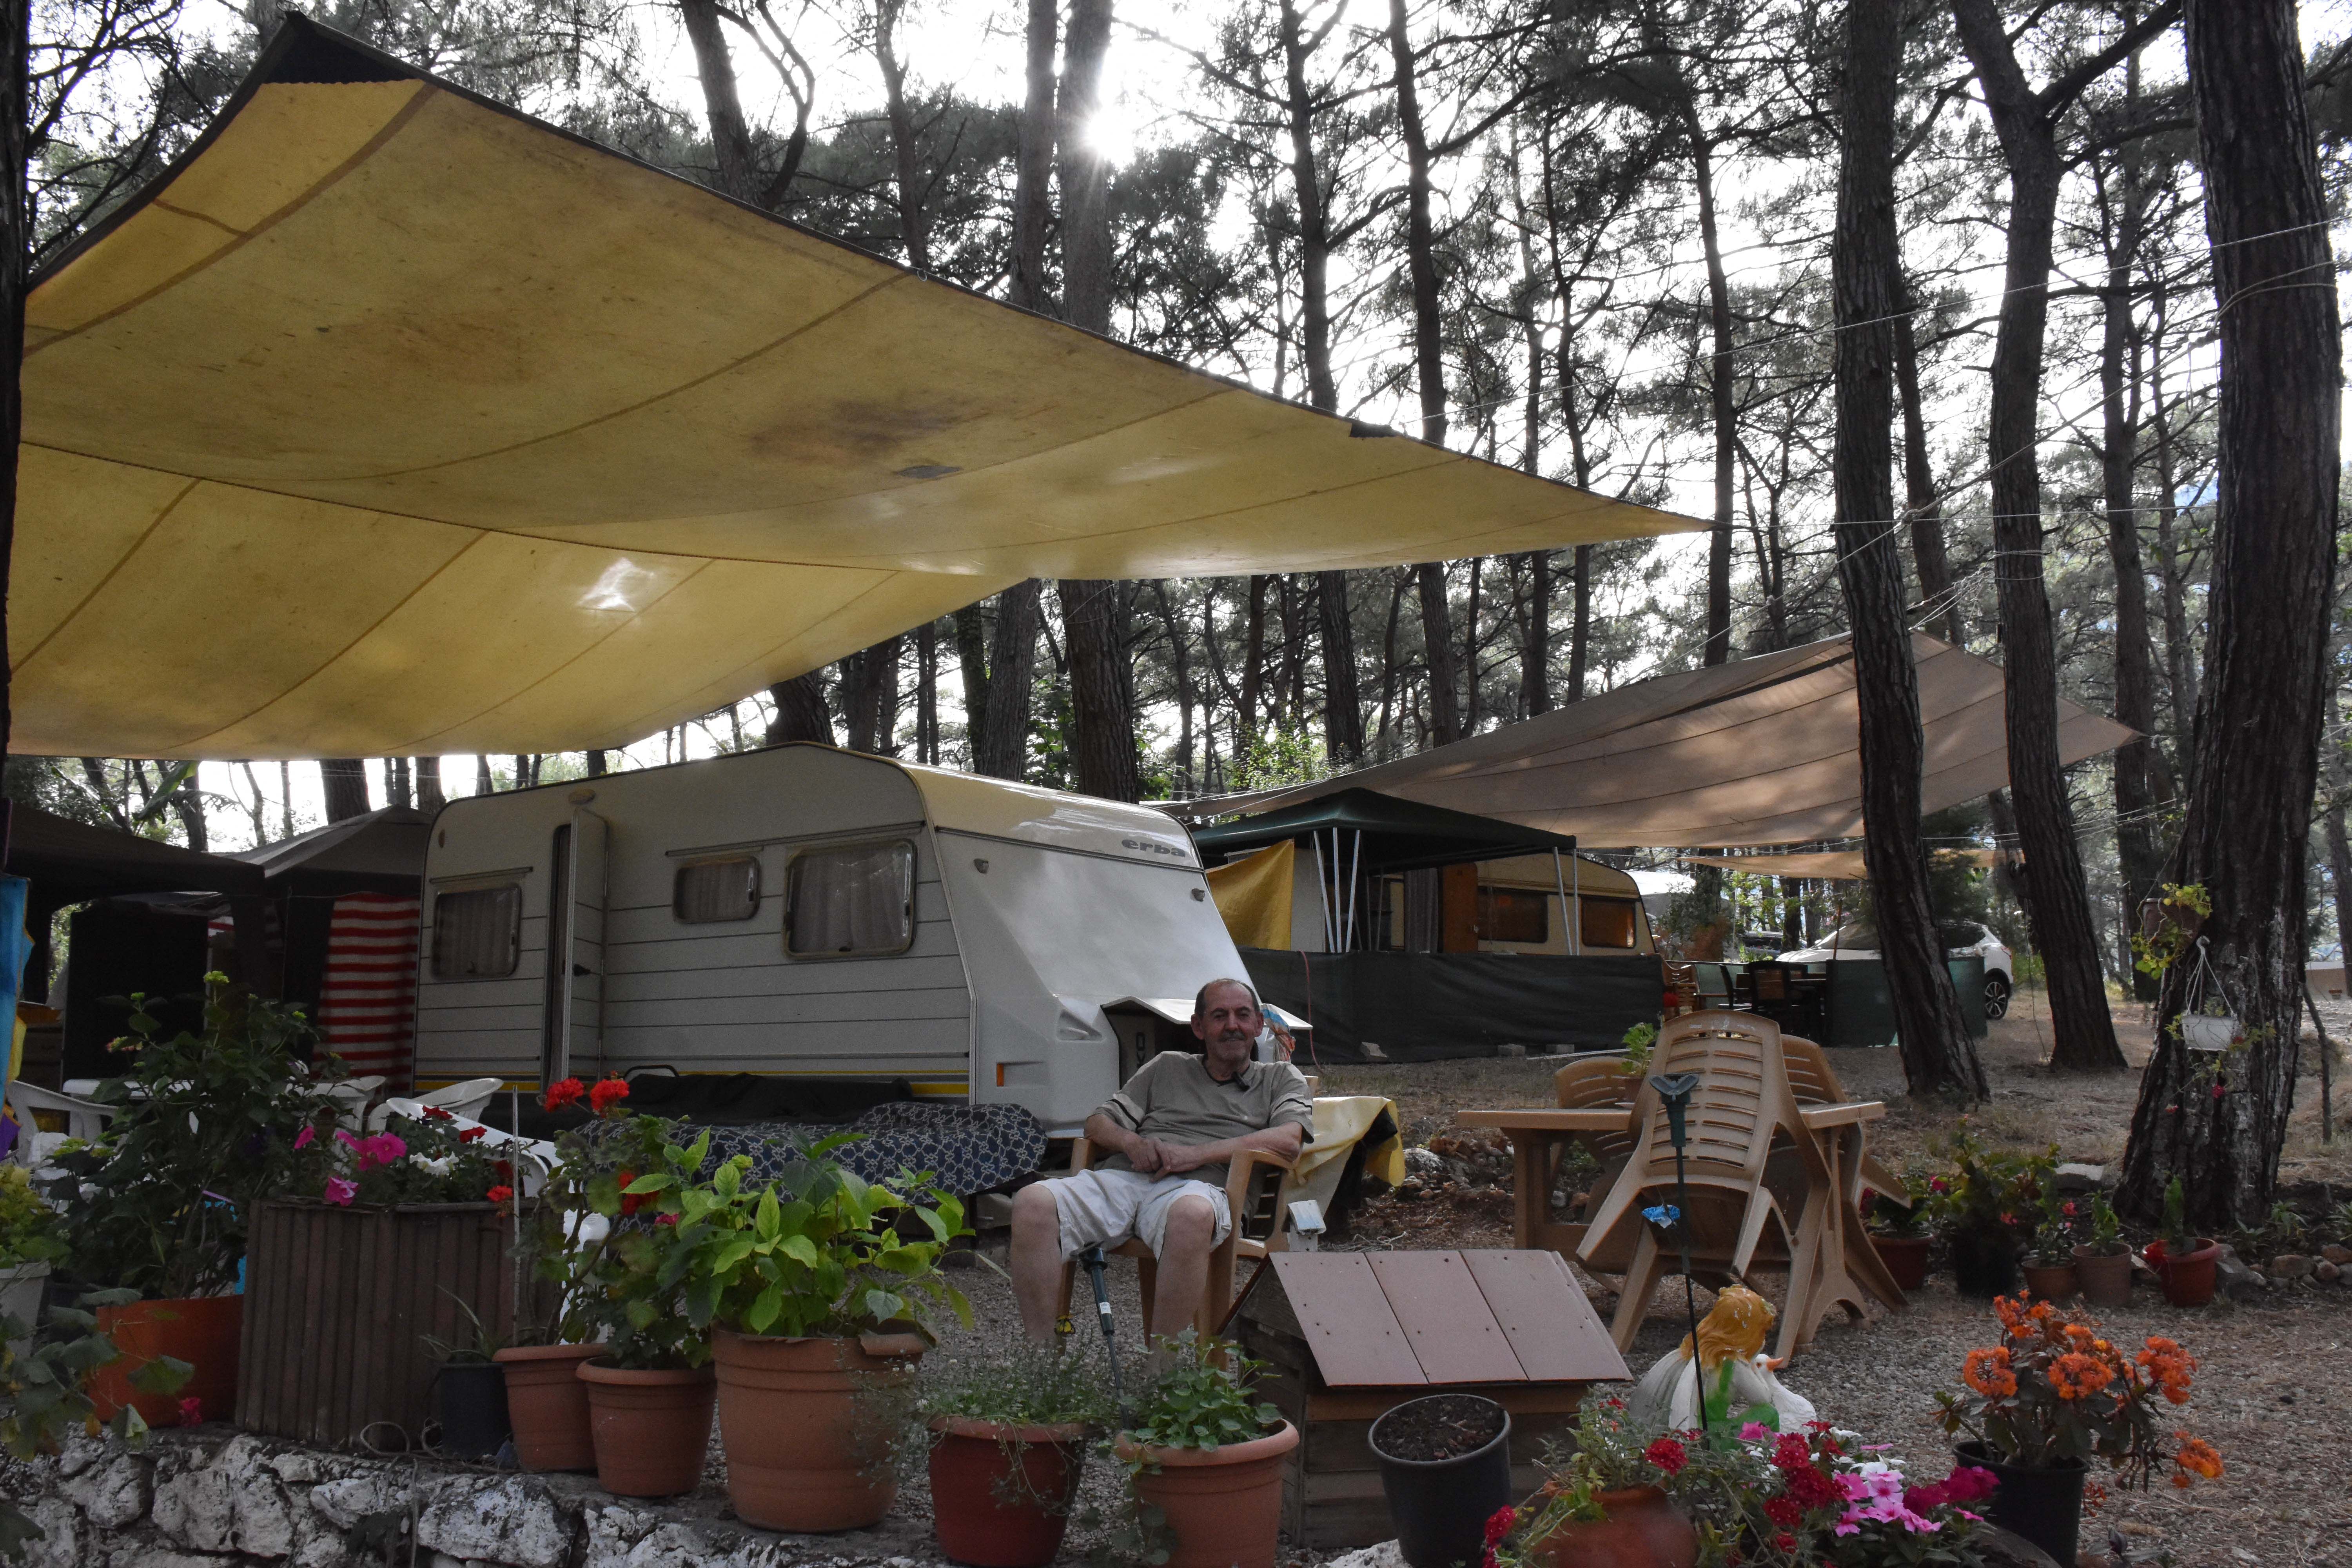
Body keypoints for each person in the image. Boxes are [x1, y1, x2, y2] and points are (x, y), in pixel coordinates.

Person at [1012, 978, 1312, 1342]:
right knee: (1032, 1202)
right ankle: (1040, 1360)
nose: (1232, 1025)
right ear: (1199, 1027)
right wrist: (1132, 1143)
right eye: (1219, 1016)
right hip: (1128, 1177)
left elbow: (1289, 1141)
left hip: (1203, 1189)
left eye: (1243, 1015)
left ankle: (1163, 1370)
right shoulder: (1167, 1067)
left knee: (1191, 1215)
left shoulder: (1280, 1078)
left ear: (1259, 1025)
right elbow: (1097, 1123)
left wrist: (1195, 1155)